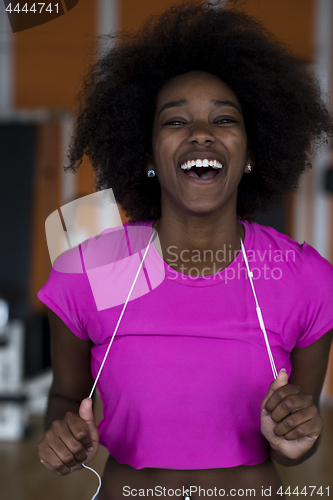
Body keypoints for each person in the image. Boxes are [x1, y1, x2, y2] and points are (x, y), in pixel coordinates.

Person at [37, 2, 333, 499]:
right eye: (176, 122)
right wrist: (64, 436)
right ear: (148, 154)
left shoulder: (304, 278)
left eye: (224, 119)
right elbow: (66, 397)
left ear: (252, 152)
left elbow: (297, 445)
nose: (201, 133)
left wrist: (299, 436)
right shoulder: (92, 272)